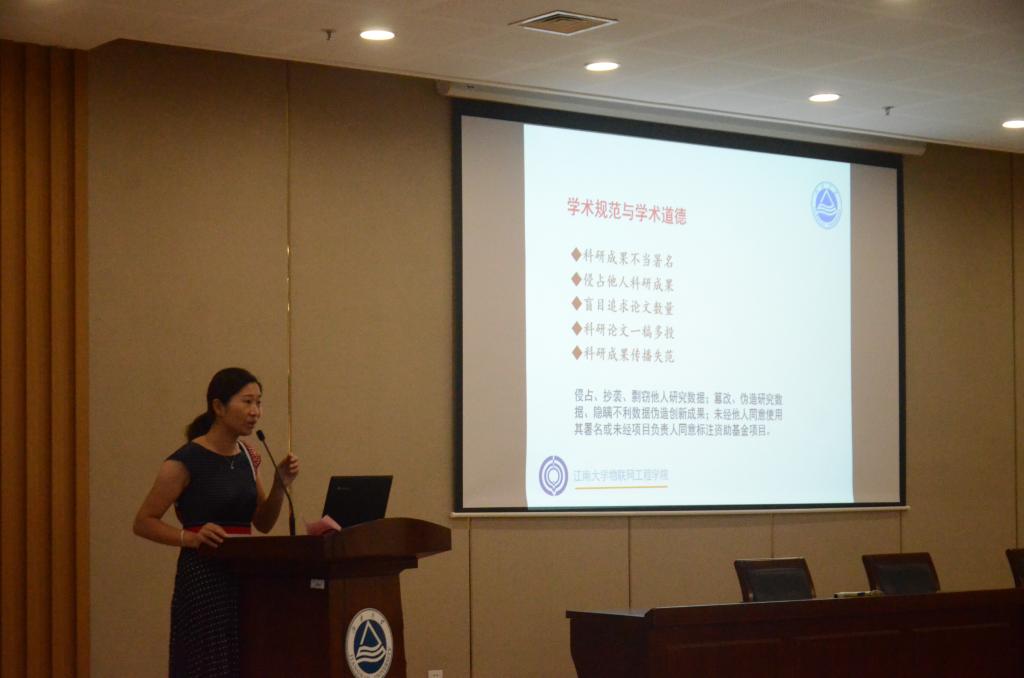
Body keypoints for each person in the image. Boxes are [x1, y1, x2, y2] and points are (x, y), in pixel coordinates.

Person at [133, 367, 299, 678]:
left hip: (245, 575)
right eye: (247, 402)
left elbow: (263, 523)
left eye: (259, 402)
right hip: (204, 577)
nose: (255, 411)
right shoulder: (186, 460)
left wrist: (280, 485)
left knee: (246, 661)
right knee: (207, 665)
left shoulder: (249, 456)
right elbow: (143, 522)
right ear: (219, 407)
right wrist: (190, 538)